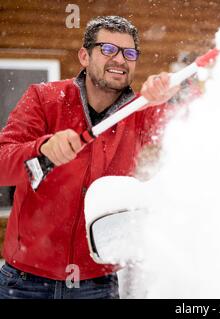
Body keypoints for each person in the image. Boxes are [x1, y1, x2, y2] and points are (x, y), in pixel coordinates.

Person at [0, 16, 179, 299]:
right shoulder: (44, 99)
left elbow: (194, 128)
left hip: (96, 284)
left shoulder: (141, 112)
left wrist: (172, 96)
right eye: (108, 49)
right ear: (84, 55)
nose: (120, 60)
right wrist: (42, 149)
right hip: (24, 282)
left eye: (129, 53)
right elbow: (2, 164)